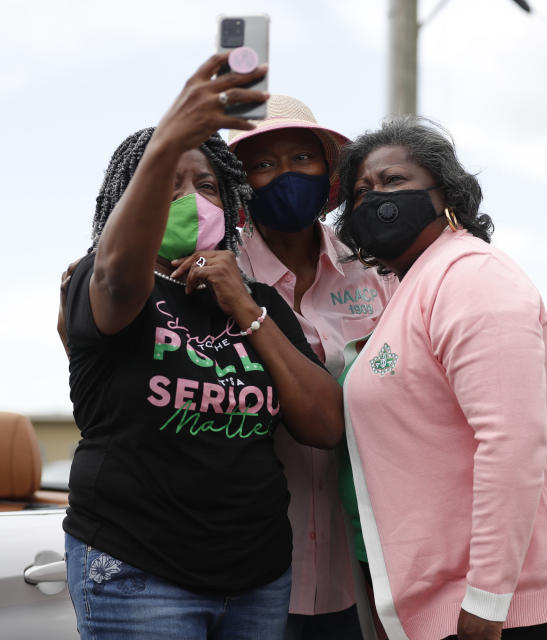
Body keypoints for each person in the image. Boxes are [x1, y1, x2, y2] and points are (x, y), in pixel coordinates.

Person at [61, 53, 345, 640]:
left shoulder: (258, 298)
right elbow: (118, 279)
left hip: (259, 580)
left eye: (208, 185)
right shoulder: (102, 283)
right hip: (141, 573)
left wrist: (245, 307)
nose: (192, 199)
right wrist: (168, 140)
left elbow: (323, 423)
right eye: (168, 185)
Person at [332, 117, 547, 640]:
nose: (374, 198)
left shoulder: (471, 276)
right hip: (462, 592)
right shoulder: (413, 286)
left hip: (522, 594)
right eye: (360, 192)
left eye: (394, 181)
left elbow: (510, 441)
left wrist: (487, 598)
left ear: (447, 193)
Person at [227, 96, 398, 640]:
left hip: (365, 562)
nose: (284, 175)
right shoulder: (223, 276)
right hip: (254, 570)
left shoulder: (371, 271)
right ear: (239, 183)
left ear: (328, 172)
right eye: (262, 163)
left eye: (302, 157)